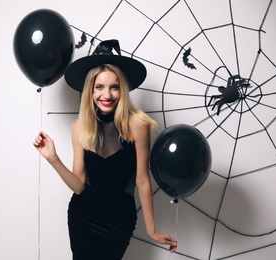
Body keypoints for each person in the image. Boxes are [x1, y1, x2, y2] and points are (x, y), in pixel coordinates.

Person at [33, 39, 177, 259]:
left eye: (114, 87)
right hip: (83, 218)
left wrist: (152, 230)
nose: (106, 95)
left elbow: (142, 180)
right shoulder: (80, 128)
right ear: (90, 91)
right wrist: (53, 158)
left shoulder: (138, 126)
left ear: (123, 90)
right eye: (99, 87)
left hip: (119, 222)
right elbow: (79, 186)